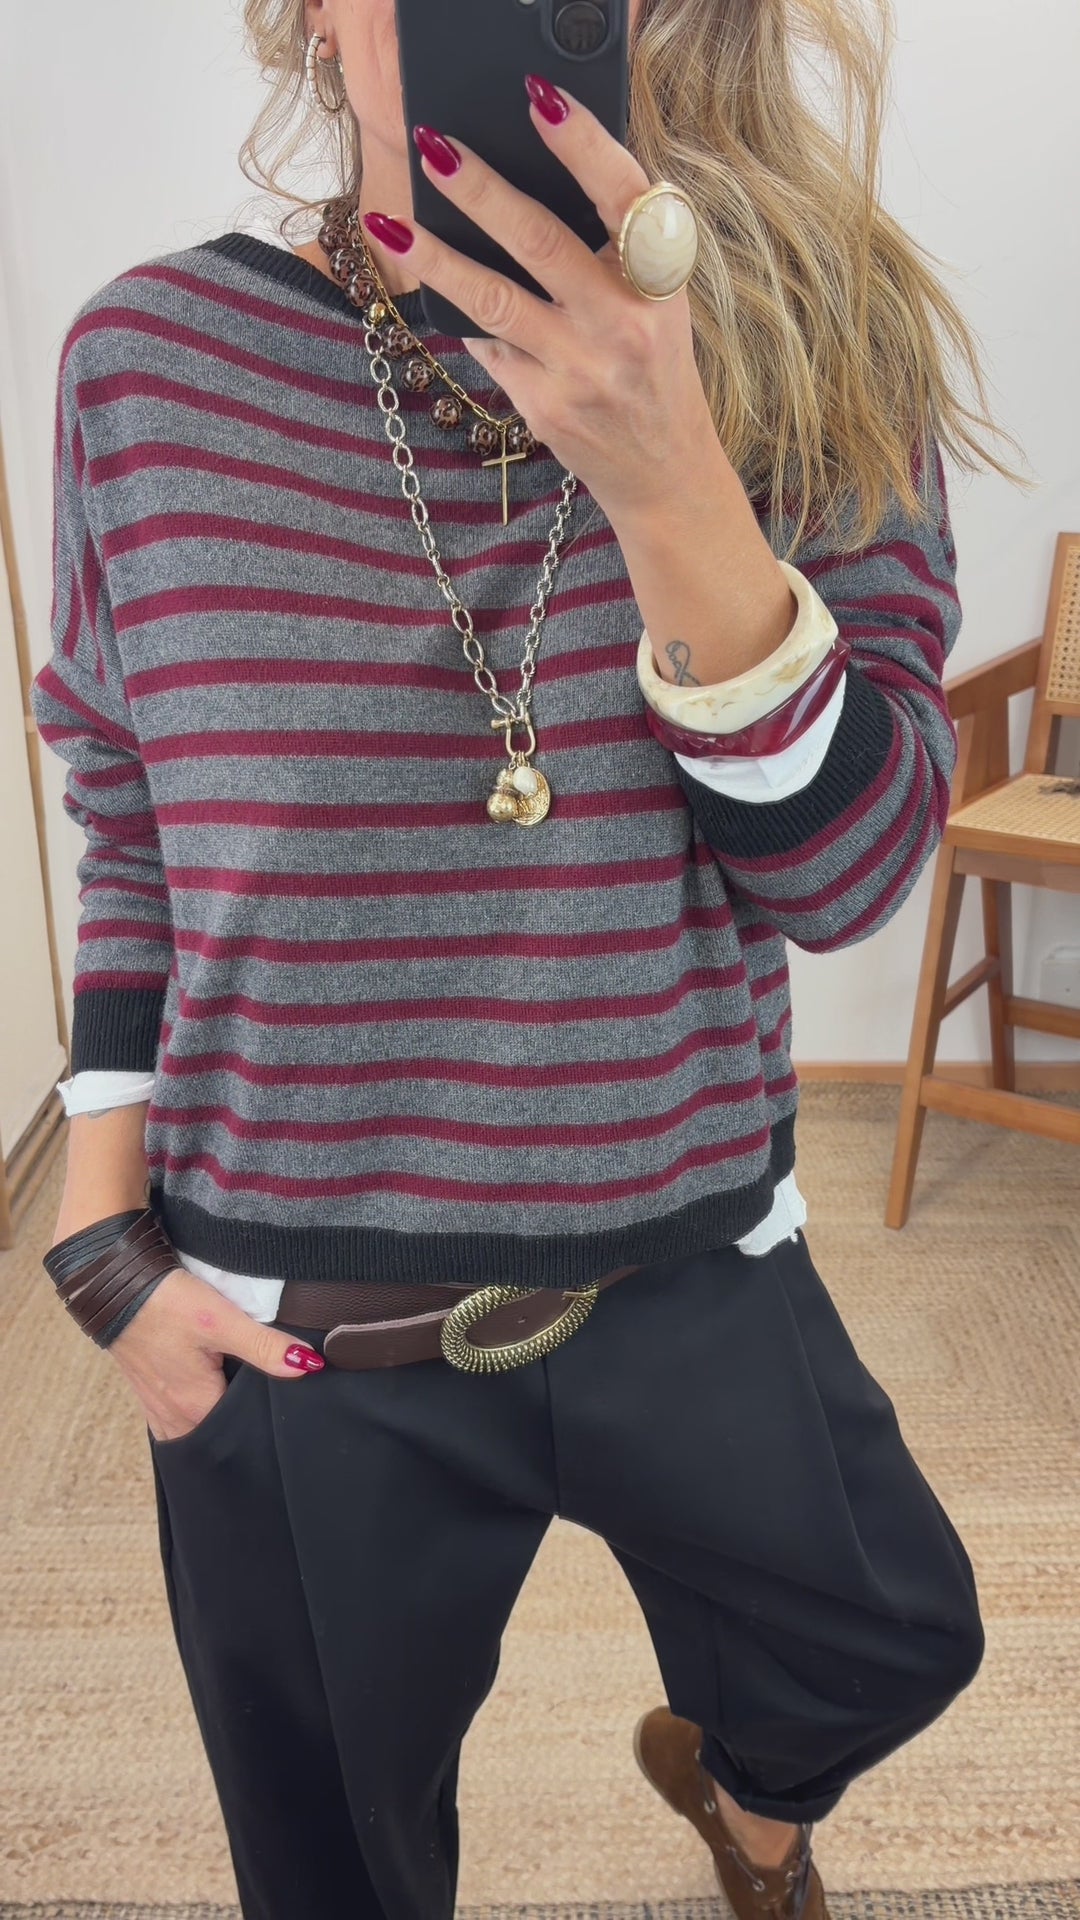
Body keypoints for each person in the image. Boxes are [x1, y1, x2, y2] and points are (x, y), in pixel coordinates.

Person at [31, 2, 1022, 1916]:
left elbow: (849, 877)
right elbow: (135, 806)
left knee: (894, 1639)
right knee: (337, 1864)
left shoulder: (820, 348)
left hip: (685, 1246)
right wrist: (99, 1232)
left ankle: (748, 1818)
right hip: (295, 1307)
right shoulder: (149, 361)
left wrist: (673, 480)